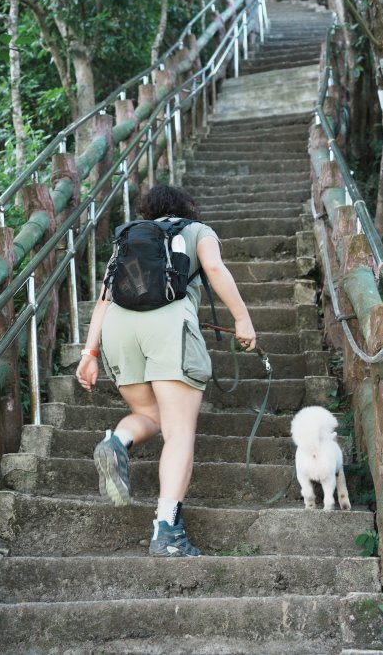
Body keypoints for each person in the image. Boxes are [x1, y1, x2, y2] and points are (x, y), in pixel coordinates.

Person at [75, 184, 257, 557]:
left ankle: (117, 443)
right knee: (178, 432)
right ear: (188, 208)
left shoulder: (128, 237)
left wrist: (89, 352)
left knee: (149, 415)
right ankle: (166, 530)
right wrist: (242, 319)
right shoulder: (197, 231)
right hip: (169, 328)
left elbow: (105, 299)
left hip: (120, 330)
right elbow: (214, 268)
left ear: (148, 211)